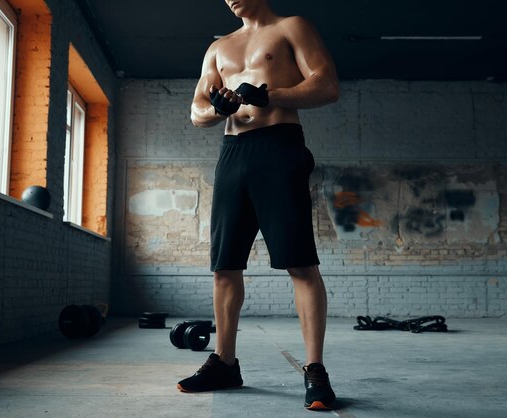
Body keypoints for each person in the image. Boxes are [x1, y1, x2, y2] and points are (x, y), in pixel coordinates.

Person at [177, 0, 340, 411]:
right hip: (233, 153)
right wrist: (218, 109)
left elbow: (326, 84)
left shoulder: (292, 27)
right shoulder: (219, 48)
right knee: (224, 266)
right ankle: (225, 363)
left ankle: (315, 370)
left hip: (279, 147)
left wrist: (273, 96)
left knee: (300, 263)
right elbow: (197, 111)